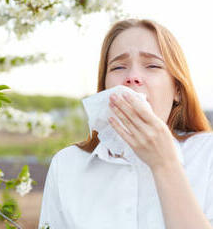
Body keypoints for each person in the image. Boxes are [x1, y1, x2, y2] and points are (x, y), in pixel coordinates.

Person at [38, 18, 213, 229]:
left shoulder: (207, 155)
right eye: (119, 66)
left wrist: (164, 164)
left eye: (152, 65)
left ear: (177, 89)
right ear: (104, 87)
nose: (132, 77)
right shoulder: (66, 165)